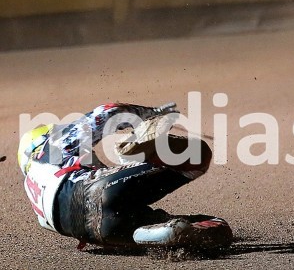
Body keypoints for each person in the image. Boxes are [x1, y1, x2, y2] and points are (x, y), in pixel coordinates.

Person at [18, 102, 232, 249]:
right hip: (96, 192)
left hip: (100, 233)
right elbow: (105, 113)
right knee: (197, 154)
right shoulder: (50, 147)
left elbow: (72, 211)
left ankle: (160, 230)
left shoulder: (37, 196)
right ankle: (132, 153)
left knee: (140, 218)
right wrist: (148, 113)